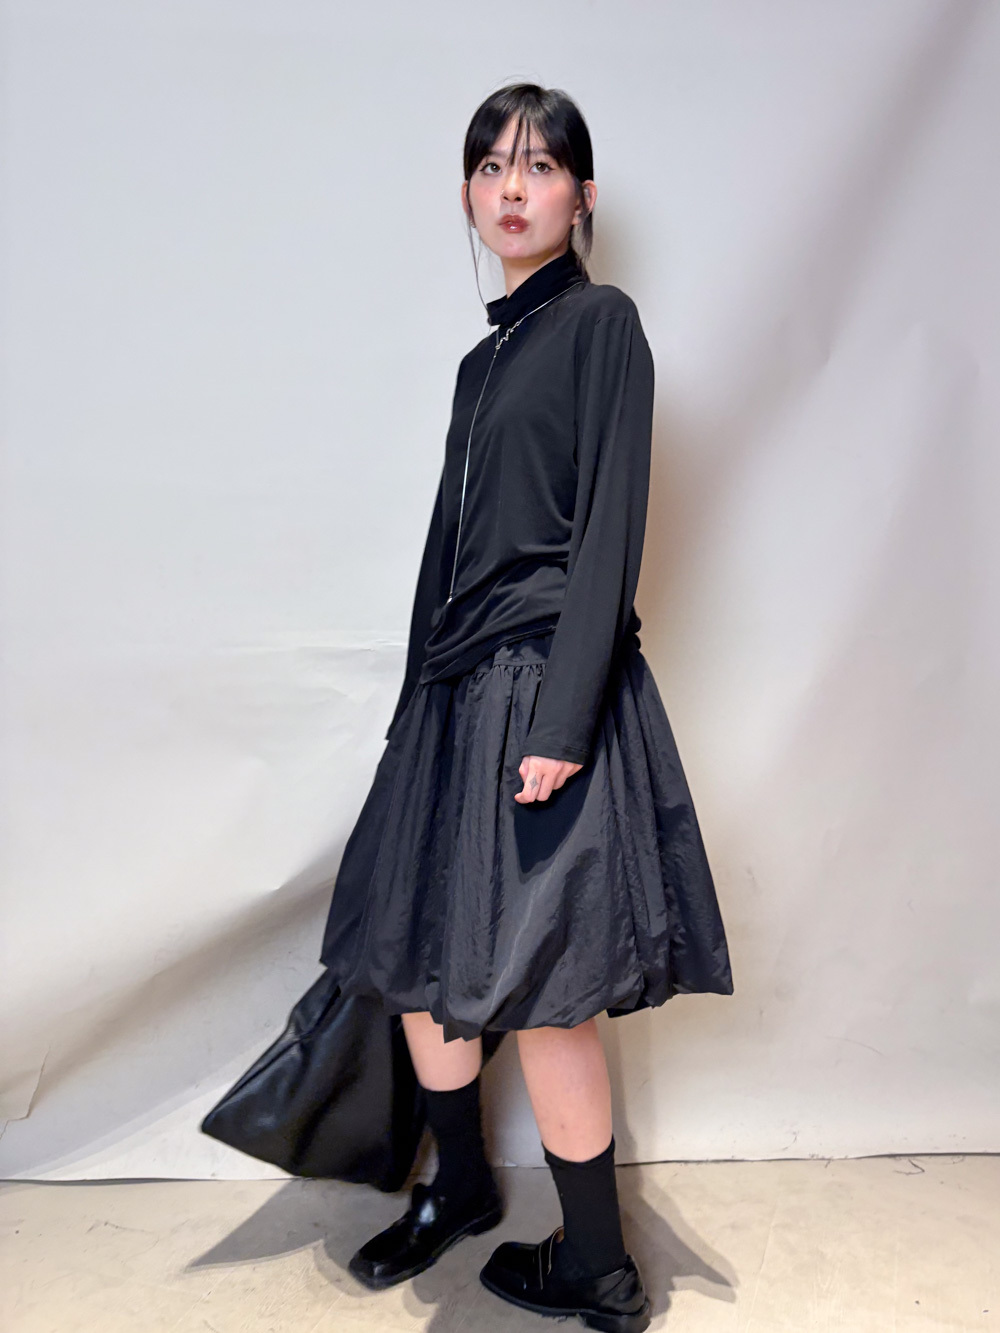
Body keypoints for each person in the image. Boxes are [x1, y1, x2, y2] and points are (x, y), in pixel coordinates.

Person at [319, 82, 734, 1332]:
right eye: (493, 166)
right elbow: (444, 553)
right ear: (465, 193)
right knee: (413, 955)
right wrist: (412, 711)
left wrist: (561, 722)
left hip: (543, 682)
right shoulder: (480, 361)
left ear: (581, 196)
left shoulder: (602, 323)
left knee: (546, 989)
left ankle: (597, 1264)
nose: (513, 187)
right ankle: (459, 1187)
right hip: (454, 692)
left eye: (541, 165)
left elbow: (610, 529)